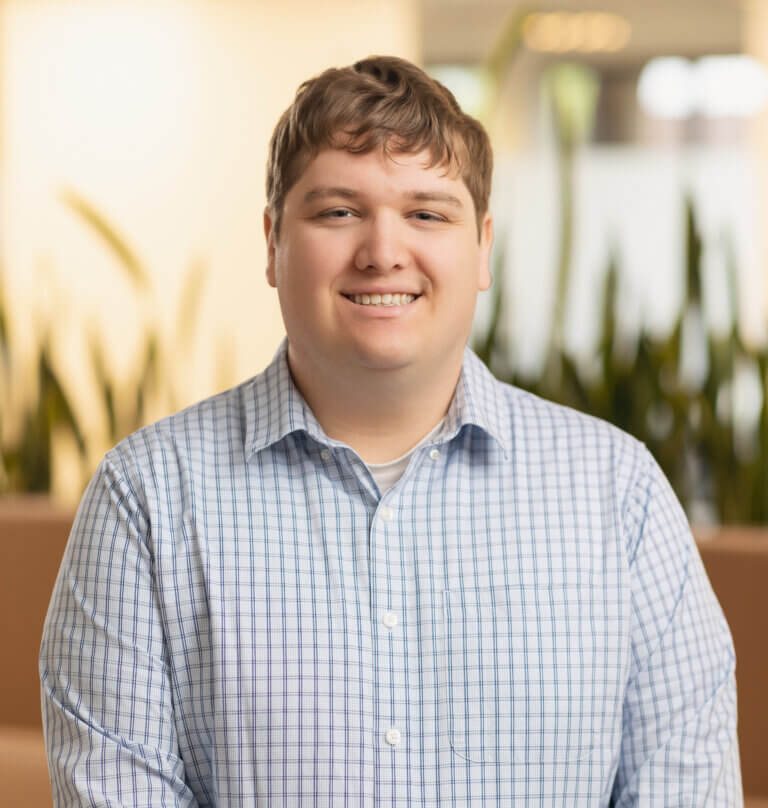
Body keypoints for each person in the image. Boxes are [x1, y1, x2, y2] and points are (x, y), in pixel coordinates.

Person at [40, 55, 743, 806]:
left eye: (427, 214)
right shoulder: (146, 499)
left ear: (483, 247)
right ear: (273, 242)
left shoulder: (618, 494)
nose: (382, 253)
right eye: (339, 212)